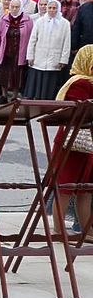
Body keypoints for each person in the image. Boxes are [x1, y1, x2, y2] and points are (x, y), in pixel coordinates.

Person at [54, 46, 93, 234]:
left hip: (88, 144)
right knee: (65, 188)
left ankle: (86, 230)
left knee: (85, 189)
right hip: (74, 143)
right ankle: (58, 229)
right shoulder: (80, 84)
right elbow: (77, 113)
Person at [24, 0, 72, 99]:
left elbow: (66, 43)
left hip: (54, 59)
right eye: (49, 8)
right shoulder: (40, 21)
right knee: (36, 82)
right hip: (39, 57)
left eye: (54, 8)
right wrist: (30, 56)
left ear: (58, 9)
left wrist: (63, 59)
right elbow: (33, 39)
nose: (51, 10)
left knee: (49, 84)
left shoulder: (65, 23)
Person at [0, 0, 34, 104]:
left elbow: (31, 38)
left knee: (17, 75)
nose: (14, 9)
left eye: (17, 7)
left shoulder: (28, 20)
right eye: (12, 7)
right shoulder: (4, 18)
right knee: (4, 74)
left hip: (19, 53)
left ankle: (15, 96)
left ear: (21, 7)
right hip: (5, 51)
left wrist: (29, 55)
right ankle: (4, 95)